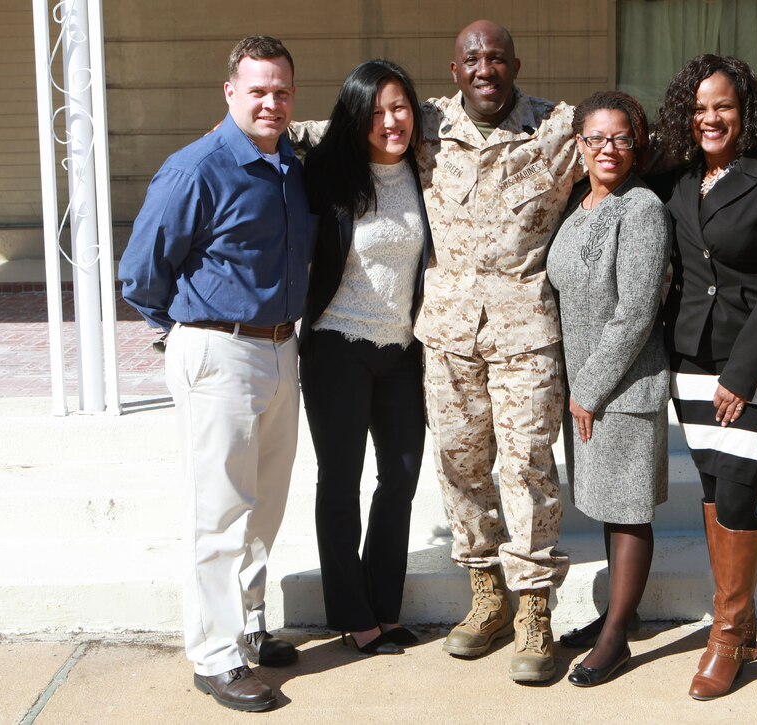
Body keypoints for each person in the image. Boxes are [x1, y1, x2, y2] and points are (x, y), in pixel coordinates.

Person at [290, 18, 584, 682]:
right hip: (447, 337)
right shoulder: (425, 125)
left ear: (516, 63)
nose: (485, 68)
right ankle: (488, 599)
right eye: (472, 59)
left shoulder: (558, 128)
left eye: (498, 58)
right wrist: (253, 137)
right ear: (455, 71)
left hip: (525, 333)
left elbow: (628, 140)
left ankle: (534, 608)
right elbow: (334, 129)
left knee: (529, 464)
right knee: (460, 466)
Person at [119, 36, 318, 713]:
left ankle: (249, 624)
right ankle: (214, 655)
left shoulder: (288, 162)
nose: (271, 100)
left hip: (281, 348)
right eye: (258, 89)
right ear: (229, 92)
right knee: (219, 508)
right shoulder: (195, 168)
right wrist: (180, 331)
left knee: (265, 502)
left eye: (282, 90)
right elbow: (142, 270)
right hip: (219, 349)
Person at [645, 54, 757, 700]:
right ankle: (740, 624)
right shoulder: (680, 181)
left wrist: (742, 376)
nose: (709, 118)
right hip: (691, 355)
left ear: (745, 112)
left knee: (739, 490)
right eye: (699, 108)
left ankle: (727, 634)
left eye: (722, 106)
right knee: (715, 489)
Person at [299, 59, 431, 657]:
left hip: (402, 350)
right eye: (376, 111)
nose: (390, 121)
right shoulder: (330, 176)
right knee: (341, 482)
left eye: (399, 106)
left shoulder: (427, 172)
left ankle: (385, 606)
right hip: (337, 348)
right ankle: (354, 614)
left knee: (399, 480)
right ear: (357, 118)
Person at [546, 90, 670, 688]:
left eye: (621, 137)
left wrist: (589, 389)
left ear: (636, 143)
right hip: (585, 388)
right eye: (596, 138)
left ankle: (617, 637)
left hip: (622, 387)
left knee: (627, 513)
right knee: (606, 504)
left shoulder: (641, 208)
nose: (608, 149)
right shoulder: (578, 205)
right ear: (579, 145)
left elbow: (637, 311)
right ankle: (617, 617)